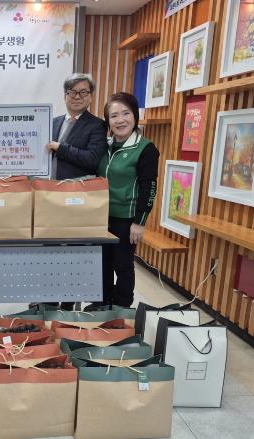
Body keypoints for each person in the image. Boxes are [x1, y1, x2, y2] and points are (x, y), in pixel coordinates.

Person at [41, 73, 108, 311]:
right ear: (65, 95)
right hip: (48, 197)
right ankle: (48, 299)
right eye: (72, 92)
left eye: (83, 92)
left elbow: (92, 160)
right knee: (49, 251)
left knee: (72, 252)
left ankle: (68, 303)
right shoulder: (53, 122)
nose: (77, 97)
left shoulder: (97, 125)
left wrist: (61, 148)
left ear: (90, 96)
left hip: (76, 199)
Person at [98, 92, 160, 307]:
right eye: (114, 116)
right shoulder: (104, 146)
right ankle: (103, 302)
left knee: (122, 264)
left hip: (126, 219)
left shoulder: (146, 148)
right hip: (100, 217)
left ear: (135, 116)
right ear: (108, 121)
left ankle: (122, 307)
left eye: (126, 113)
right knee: (102, 263)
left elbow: (149, 188)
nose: (120, 120)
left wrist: (139, 222)